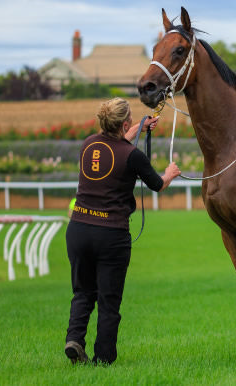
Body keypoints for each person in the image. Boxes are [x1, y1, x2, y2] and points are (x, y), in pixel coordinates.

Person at [64, 97, 181, 365]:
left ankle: (74, 339)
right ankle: (103, 358)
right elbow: (156, 185)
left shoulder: (88, 144)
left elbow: (114, 146)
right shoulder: (133, 156)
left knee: (82, 292)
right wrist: (170, 173)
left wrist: (138, 130)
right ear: (125, 122)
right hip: (111, 235)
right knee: (109, 300)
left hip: (79, 229)